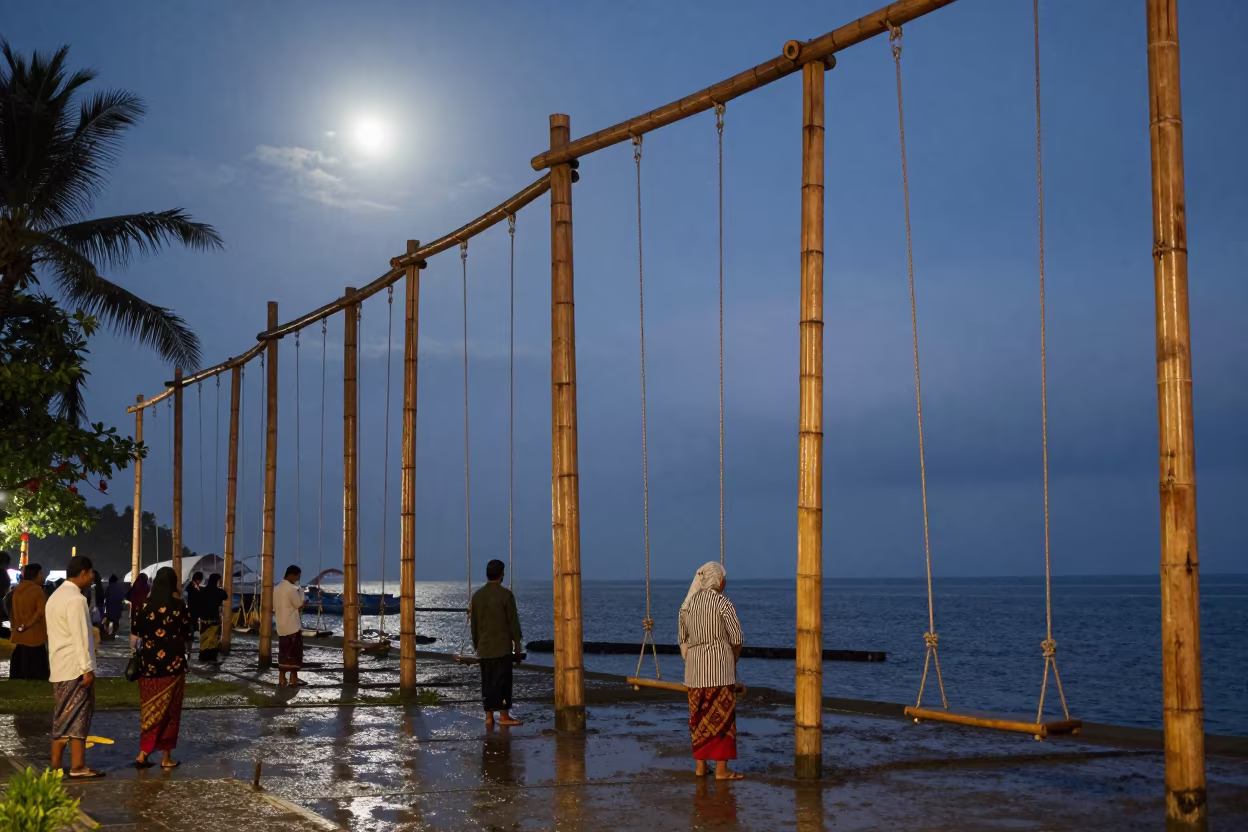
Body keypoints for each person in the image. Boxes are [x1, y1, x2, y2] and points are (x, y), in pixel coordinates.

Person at [678, 561, 744, 781]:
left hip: (695, 670)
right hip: (720, 669)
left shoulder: (688, 604)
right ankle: (722, 771)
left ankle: (700, 767)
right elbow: (736, 637)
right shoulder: (722, 602)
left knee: (699, 717)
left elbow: (682, 638)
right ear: (719, 580)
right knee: (722, 718)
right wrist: (733, 658)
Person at [46, 554, 102, 779]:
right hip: (74, 668)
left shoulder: (55, 596)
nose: (92, 578)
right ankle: (59, 764)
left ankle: (76, 765)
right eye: (91, 573)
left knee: (74, 716)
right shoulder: (76, 600)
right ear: (84, 573)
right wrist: (86, 667)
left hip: (60, 665)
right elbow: (80, 637)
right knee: (71, 717)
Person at [132, 566, 193, 769]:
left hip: (148, 666)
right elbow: (188, 632)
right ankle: (166, 758)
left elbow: (136, 631)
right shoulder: (179, 606)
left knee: (149, 709)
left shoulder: (143, 606)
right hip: (173, 665)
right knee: (170, 711)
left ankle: (143, 752)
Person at [469, 559, 523, 728]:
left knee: (487, 683)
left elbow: (474, 625)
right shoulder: (506, 595)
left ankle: (489, 716)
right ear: (501, 575)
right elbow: (513, 623)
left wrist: (477, 645)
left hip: (484, 647)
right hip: (501, 647)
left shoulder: (477, 596)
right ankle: (504, 716)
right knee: (503, 684)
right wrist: (517, 645)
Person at [9, 563, 50, 680]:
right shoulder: (37, 591)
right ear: (35, 575)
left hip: (19, 635)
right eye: (41, 573)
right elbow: (40, 612)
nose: (43, 576)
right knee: (37, 669)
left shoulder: (17, 590)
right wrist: (27, 625)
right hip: (34, 635)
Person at [274, 564, 306, 687]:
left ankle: (282, 678)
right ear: (292, 575)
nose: (298, 579)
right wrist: (302, 594)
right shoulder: (291, 589)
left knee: (283, 652)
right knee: (294, 653)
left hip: (281, 626)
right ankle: (293, 679)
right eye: (298, 577)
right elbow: (299, 606)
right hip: (292, 626)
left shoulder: (276, 588)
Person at [196, 573, 228, 663]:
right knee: (214, 638)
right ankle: (212, 656)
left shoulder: (202, 590)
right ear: (217, 581)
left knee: (204, 637)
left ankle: (203, 655)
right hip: (214, 617)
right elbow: (226, 596)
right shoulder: (220, 592)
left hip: (203, 618)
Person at [126, 573, 150, 649]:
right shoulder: (147, 587)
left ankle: (134, 647)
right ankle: (142, 645)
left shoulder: (135, 587)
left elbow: (128, 596)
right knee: (143, 629)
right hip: (144, 611)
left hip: (135, 612)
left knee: (135, 629)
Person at [184, 571, 203, 653]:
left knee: (191, 630)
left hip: (192, 612)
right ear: (198, 580)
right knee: (190, 630)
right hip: (191, 612)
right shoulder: (191, 587)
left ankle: (189, 649)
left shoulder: (191, 586)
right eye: (200, 580)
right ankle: (189, 649)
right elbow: (193, 600)